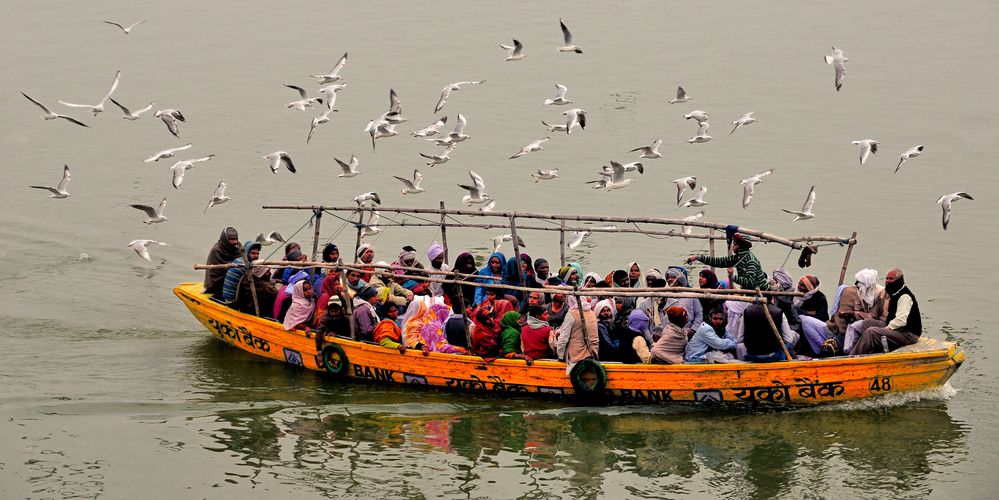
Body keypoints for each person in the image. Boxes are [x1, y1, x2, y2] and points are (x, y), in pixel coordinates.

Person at [851, 269, 922, 354]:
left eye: (891, 279)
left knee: (872, 331)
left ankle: (854, 356)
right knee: (867, 322)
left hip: (908, 333)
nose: (887, 281)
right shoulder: (894, 292)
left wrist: (886, 329)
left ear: (899, 280)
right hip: (898, 329)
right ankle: (872, 350)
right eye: (886, 278)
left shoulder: (905, 296)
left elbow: (901, 321)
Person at [686, 232, 770, 291]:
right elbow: (719, 262)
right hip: (749, 292)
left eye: (734, 244)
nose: (732, 246)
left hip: (761, 293)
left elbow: (749, 282)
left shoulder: (750, 261)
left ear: (739, 246)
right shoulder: (738, 258)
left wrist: (732, 277)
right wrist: (698, 257)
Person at [842, 268, 889, 353]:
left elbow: (873, 315)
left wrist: (854, 314)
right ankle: (848, 351)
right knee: (851, 325)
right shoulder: (862, 291)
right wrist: (850, 314)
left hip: (883, 323)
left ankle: (851, 354)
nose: (857, 284)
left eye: (860, 282)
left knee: (856, 327)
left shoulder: (880, 293)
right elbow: (859, 308)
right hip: (869, 319)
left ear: (867, 283)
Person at [741, 296, 797, 362]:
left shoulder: (747, 311)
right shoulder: (778, 311)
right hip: (774, 356)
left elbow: (740, 338)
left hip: (753, 355)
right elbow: (789, 339)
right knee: (792, 336)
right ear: (772, 298)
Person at [554, 296, 599, 374]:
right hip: (593, 354)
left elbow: (563, 339)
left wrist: (560, 356)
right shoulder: (592, 313)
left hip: (576, 357)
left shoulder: (571, 313)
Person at [203, 227, 242, 297]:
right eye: (232, 239)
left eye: (236, 239)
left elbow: (243, 259)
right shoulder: (217, 250)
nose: (235, 242)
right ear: (226, 240)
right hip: (217, 284)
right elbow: (217, 273)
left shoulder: (238, 247)